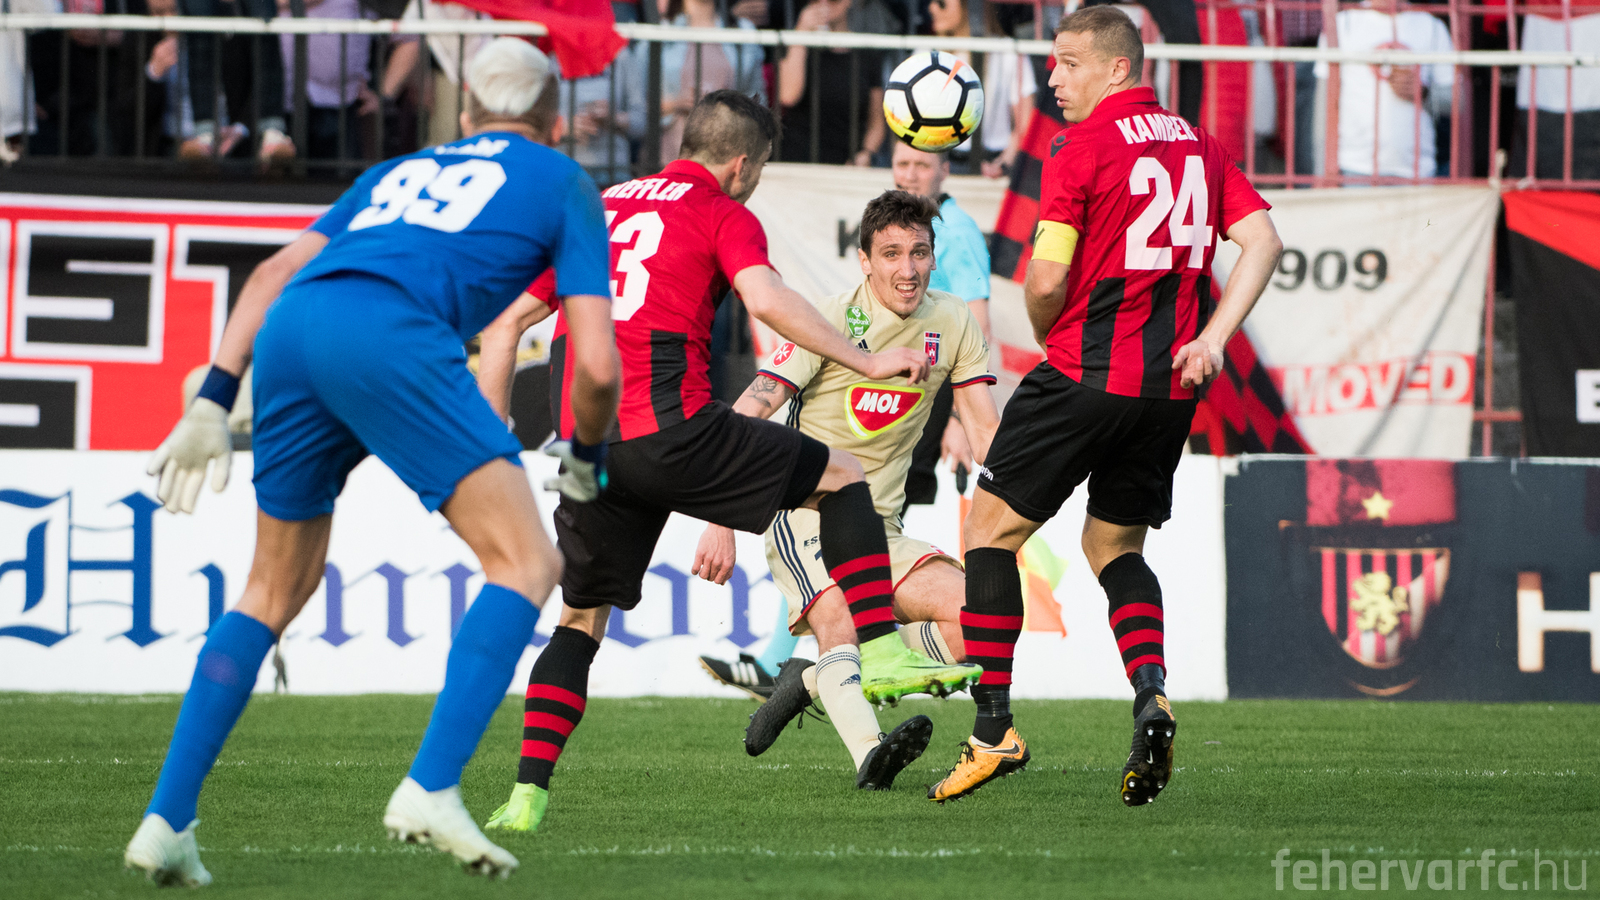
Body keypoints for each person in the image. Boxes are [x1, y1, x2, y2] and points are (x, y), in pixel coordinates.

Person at [123, 39, 616, 885]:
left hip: (291, 330)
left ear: (467, 115)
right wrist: (589, 454)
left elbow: (272, 272)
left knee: (269, 591)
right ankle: (432, 784)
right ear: (553, 119)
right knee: (528, 561)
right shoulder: (562, 180)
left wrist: (213, 398)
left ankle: (166, 819)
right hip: (392, 336)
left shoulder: (398, 171)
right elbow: (598, 368)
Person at [476, 89, 933, 834]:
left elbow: (504, 327)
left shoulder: (597, 206)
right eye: (761, 171)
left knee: (579, 619)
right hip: (670, 428)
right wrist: (868, 360)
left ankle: (525, 797)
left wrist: (485, 441)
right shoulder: (720, 210)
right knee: (842, 477)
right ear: (742, 164)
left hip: (585, 445)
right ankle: (879, 650)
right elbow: (767, 299)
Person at [926, 6, 1282, 806]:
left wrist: (1049, 333)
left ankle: (992, 730)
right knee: (1112, 546)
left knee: (988, 533)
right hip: (1169, 391)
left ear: (1118, 68)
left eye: (1070, 62)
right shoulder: (1200, 145)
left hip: (1084, 375)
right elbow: (1263, 240)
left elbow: (1047, 278)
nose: (1054, 77)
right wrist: (1212, 338)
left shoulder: (1079, 147)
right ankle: (1152, 694)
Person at [695, 190, 999, 790]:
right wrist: (719, 517)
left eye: (919, 253)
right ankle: (871, 755)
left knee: (979, 618)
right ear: (864, 260)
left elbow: (986, 433)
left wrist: (1036, 488)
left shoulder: (954, 321)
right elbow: (748, 413)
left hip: (881, 528)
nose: (907, 269)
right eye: (891, 254)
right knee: (837, 614)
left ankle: (812, 678)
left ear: (934, 257)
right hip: (803, 513)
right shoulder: (828, 320)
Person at [890, 141, 991, 509]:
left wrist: (959, 419)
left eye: (922, 165)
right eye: (902, 163)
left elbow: (978, 330)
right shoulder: (903, 224)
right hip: (900, 380)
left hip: (936, 384)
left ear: (944, 171)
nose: (910, 175)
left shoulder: (957, 230)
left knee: (898, 495)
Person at [1316, 0, 1453, 180]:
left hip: (1417, 170)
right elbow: (1323, 106)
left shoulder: (1432, 27)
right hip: (1354, 167)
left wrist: (1423, 93)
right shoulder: (1343, 23)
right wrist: (1321, 173)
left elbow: (1456, 102)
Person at [777, 0, 888, 165]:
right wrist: (801, 32)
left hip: (846, 164)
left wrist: (866, 153)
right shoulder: (796, 46)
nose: (824, 3)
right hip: (797, 160)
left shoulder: (867, 53)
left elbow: (876, 122)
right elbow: (789, 95)